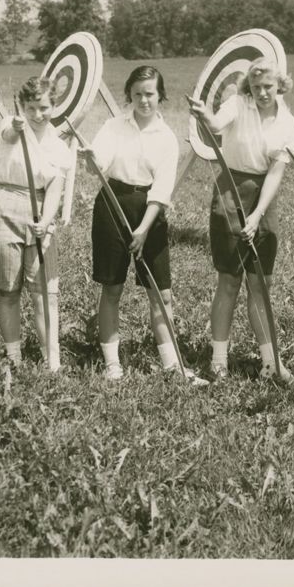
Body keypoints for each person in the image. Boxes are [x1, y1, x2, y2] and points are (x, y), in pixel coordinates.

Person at [79, 65, 204, 384]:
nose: (144, 100)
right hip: (112, 202)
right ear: (129, 95)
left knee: (162, 293)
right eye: (137, 94)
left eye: (150, 93)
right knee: (112, 287)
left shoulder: (167, 138)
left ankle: (172, 366)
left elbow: (162, 189)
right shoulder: (113, 126)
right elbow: (100, 164)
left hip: (149, 212)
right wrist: (91, 159)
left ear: (160, 95)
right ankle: (112, 365)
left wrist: (144, 229)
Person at [187, 57, 294, 384]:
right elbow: (216, 125)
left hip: (264, 196)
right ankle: (218, 362)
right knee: (229, 280)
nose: (262, 93)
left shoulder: (288, 124)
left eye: (268, 86)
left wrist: (257, 215)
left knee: (260, 284)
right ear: (248, 88)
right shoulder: (237, 103)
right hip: (230, 192)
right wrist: (204, 115)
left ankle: (271, 364)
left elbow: (276, 173)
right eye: (256, 87)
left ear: (280, 85)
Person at [0, 76, 71, 372]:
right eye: (31, 108)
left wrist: (45, 222)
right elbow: (9, 133)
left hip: (40, 213)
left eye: (44, 107)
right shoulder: (10, 125)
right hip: (5, 206)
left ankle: (51, 359)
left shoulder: (59, 145)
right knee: (8, 290)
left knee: (45, 292)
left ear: (53, 105)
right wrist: (16, 126)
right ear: (22, 106)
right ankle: (14, 356)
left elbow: (56, 187)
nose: (37, 115)